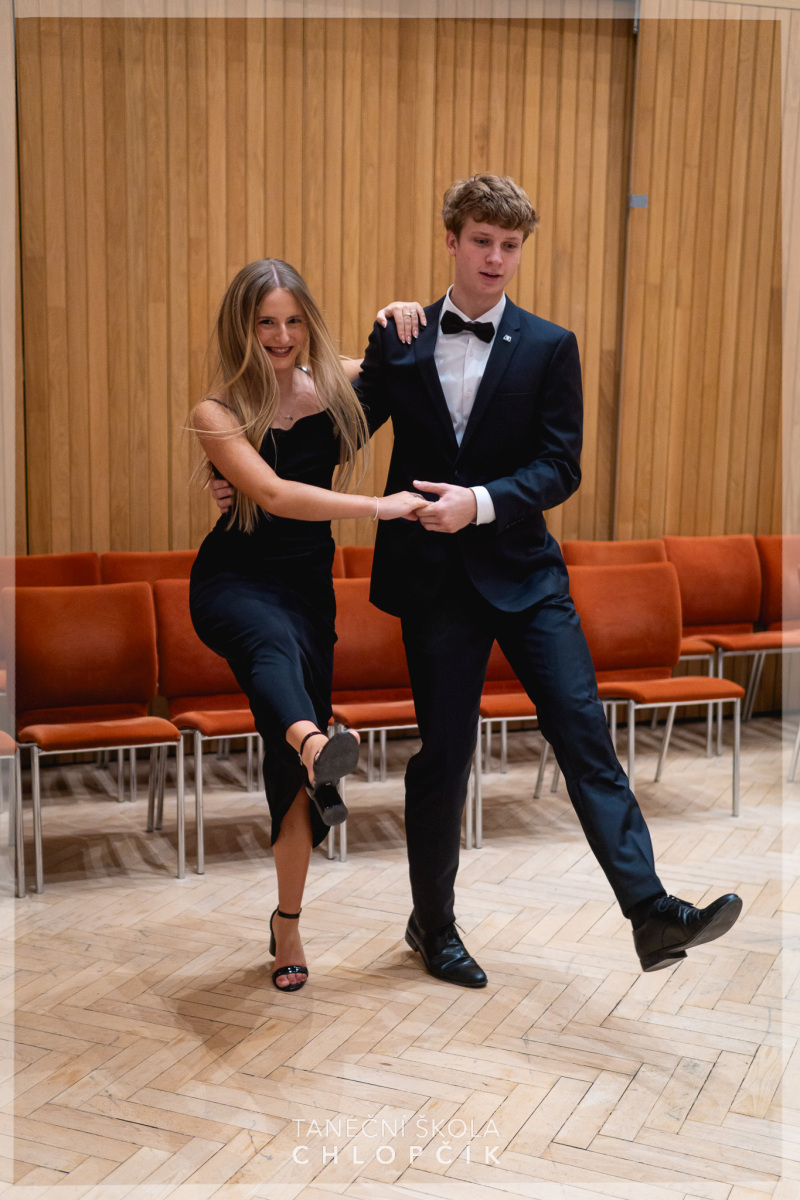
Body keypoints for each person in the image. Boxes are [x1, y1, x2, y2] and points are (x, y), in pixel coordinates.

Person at [213, 178, 743, 985]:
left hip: (528, 575)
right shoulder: (401, 339)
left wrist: (482, 503)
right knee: (446, 757)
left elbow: (560, 465)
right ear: (453, 242)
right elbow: (328, 427)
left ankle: (649, 911)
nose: (497, 258)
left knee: (583, 733)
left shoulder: (551, 346)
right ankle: (433, 926)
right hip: (435, 585)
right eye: (483, 241)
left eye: (511, 245)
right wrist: (235, 474)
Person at [189, 258, 427, 992]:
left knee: (290, 778)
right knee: (268, 649)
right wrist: (380, 507)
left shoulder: (336, 384)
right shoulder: (217, 411)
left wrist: (399, 311)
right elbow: (272, 494)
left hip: (306, 591)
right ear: (242, 327)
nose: (281, 335)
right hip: (234, 580)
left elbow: (399, 359)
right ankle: (316, 742)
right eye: (266, 322)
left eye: (293, 320)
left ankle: (286, 921)